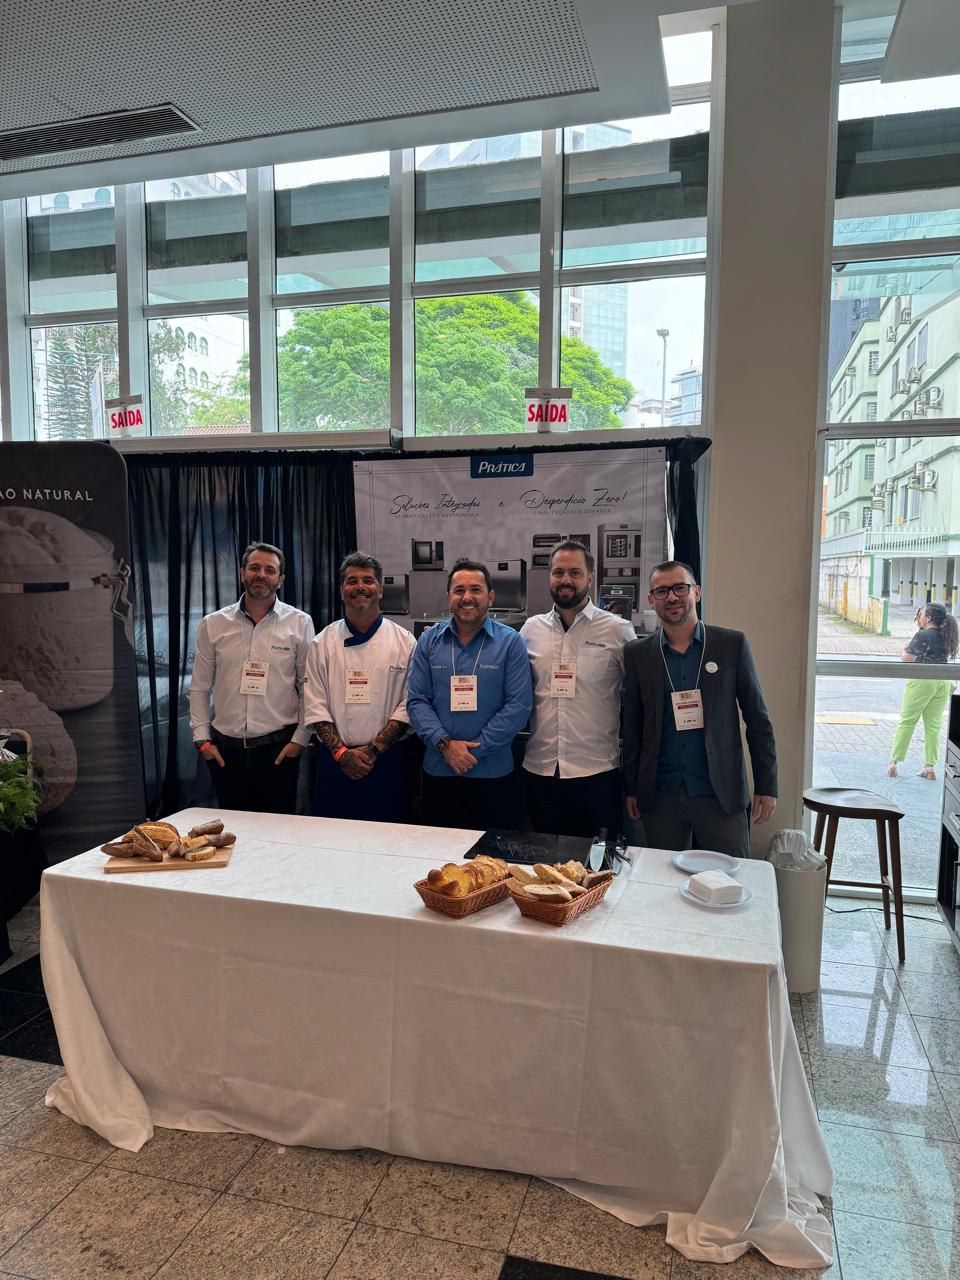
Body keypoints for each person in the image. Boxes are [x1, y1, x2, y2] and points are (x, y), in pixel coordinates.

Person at [622, 560, 777, 857]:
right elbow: (632, 725)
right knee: (664, 883)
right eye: (662, 591)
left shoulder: (730, 644)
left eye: (680, 587)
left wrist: (766, 784)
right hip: (661, 794)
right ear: (651, 600)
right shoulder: (638, 654)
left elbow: (758, 719)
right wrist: (631, 787)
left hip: (720, 791)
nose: (672, 597)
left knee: (730, 882)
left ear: (697, 593)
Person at [521, 540, 636, 838]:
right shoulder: (530, 630)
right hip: (540, 770)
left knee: (598, 871)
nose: (566, 580)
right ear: (549, 577)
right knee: (544, 873)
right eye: (558, 572)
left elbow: (638, 699)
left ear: (590, 577)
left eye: (575, 572)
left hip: (596, 773)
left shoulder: (618, 630)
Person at [407, 558, 533, 830]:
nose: (467, 597)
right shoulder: (429, 641)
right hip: (439, 771)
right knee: (438, 860)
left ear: (490, 597)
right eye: (459, 590)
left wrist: (472, 752)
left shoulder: (510, 642)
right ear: (448, 597)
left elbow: (519, 706)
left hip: (493, 775)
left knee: (492, 863)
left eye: (475, 590)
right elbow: (417, 701)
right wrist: (446, 746)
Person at [189, 542, 314, 814]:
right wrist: (202, 739)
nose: (261, 575)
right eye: (254, 568)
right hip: (225, 753)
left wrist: (300, 739)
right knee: (233, 836)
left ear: (280, 580)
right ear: (241, 572)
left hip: (279, 751)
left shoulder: (300, 623)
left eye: (270, 570)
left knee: (279, 837)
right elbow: (199, 687)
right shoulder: (214, 624)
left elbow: (308, 686)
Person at [304, 552, 416, 821]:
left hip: (387, 762)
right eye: (352, 581)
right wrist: (343, 755)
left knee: (390, 842)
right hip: (335, 763)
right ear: (342, 591)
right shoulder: (322, 643)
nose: (360, 587)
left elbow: (409, 704)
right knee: (332, 842)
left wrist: (373, 750)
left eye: (368, 580)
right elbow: (314, 703)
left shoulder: (405, 642)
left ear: (380, 589)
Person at [888, 602, 959, 780]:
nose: (919, 616)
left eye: (922, 614)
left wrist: (905, 647)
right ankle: (929, 766)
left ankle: (894, 762)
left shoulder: (923, 635)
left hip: (923, 681)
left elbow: (907, 658)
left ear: (928, 618)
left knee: (907, 721)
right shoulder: (946, 635)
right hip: (942, 681)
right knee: (933, 725)